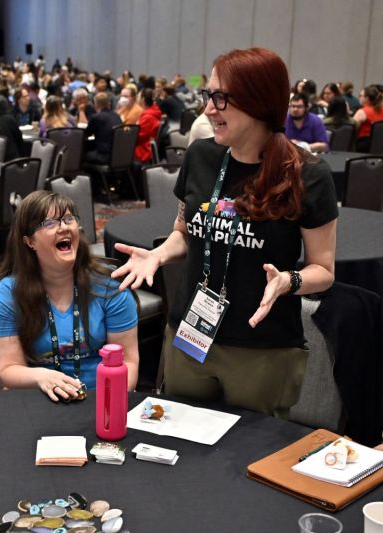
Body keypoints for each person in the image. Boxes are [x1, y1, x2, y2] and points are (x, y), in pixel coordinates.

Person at [114, 47, 337, 419]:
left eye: (220, 97)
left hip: (261, 351)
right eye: (208, 96)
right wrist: (159, 254)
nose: (207, 109)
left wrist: (289, 281)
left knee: (247, 463)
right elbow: (184, 231)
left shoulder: (307, 175)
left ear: (259, 102)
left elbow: (324, 271)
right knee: (179, 449)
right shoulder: (202, 156)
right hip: (189, 336)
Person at [0, 190, 139, 401]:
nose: (64, 227)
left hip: (101, 398)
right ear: (29, 241)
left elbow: (128, 362)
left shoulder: (109, 286)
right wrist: (42, 377)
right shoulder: (8, 294)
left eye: (69, 219)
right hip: (41, 399)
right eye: (50, 223)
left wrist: (111, 405)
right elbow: (8, 368)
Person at [84, 91, 123, 164]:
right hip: (118, 154)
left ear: (96, 104)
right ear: (109, 103)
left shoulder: (96, 117)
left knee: (84, 154)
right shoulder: (116, 115)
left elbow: (86, 134)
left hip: (105, 155)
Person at [134, 88, 161, 164]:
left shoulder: (148, 117)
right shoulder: (152, 112)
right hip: (144, 147)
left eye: (138, 96)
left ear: (143, 99)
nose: (137, 98)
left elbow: (137, 137)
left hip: (142, 152)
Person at [352, 85, 383, 153]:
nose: (359, 98)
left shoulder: (362, 112)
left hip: (363, 146)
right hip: (379, 146)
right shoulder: (381, 111)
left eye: (361, 96)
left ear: (367, 98)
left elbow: (351, 130)